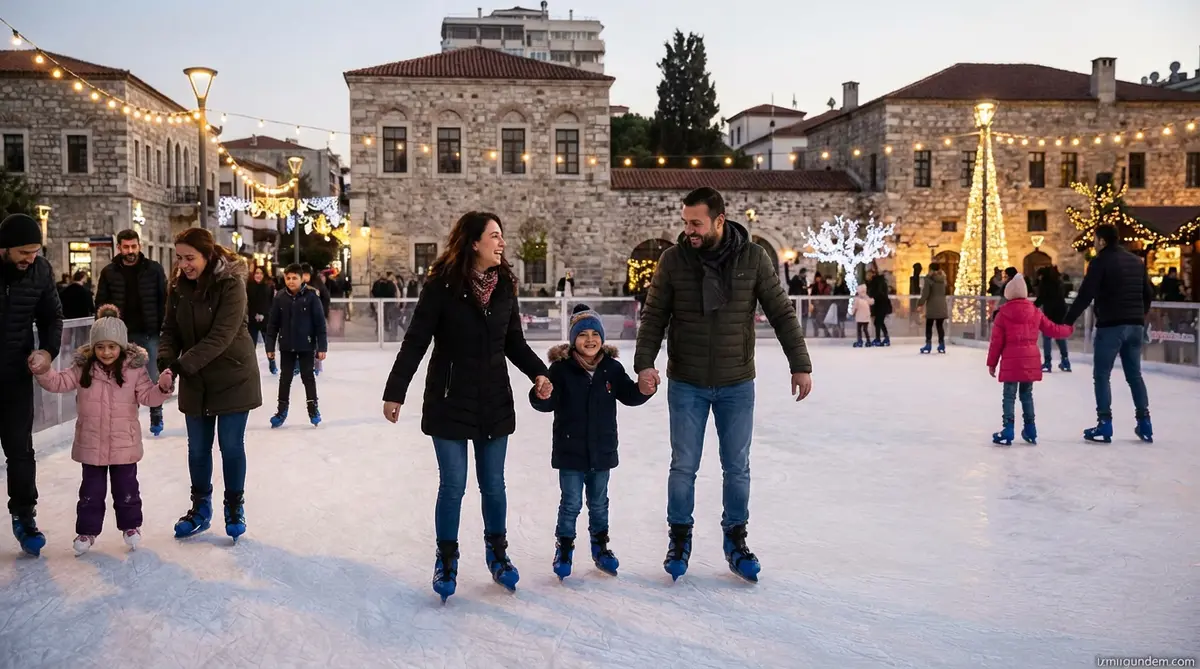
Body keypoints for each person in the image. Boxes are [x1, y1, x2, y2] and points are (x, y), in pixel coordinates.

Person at [634, 187, 813, 583]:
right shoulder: (673, 260)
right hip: (687, 383)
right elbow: (654, 317)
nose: (689, 230)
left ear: (719, 220)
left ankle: (736, 539)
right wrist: (644, 363)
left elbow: (781, 312)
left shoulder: (753, 258)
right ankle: (678, 539)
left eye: (696, 223)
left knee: (737, 468)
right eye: (685, 223)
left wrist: (799, 364)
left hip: (736, 382)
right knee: (683, 466)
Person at [381, 211, 552, 601]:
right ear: (474, 242)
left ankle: (498, 555)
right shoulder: (442, 285)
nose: (501, 242)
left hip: (493, 399)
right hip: (448, 400)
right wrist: (396, 391)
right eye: (494, 236)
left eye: (502, 236)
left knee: (494, 485)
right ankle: (446, 559)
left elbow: (514, 344)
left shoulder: (505, 284)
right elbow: (416, 341)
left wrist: (540, 374)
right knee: (453, 485)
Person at [32, 305, 174, 555]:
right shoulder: (83, 367)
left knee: (127, 489)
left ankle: (131, 527)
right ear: (93, 347)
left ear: (121, 345)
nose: (106, 352)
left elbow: (147, 396)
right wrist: (44, 371)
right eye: (100, 347)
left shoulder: (133, 369)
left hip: (123, 444)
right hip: (92, 442)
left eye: (111, 346)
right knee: (90, 492)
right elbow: (59, 382)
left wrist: (162, 388)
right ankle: (87, 531)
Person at [530, 304, 653, 580]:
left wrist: (644, 391)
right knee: (571, 502)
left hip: (602, 450)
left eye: (594, 334)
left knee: (599, 503)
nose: (589, 339)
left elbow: (630, 395)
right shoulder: (560, 370)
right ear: (573, 339)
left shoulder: (612, 368)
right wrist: (541, 394)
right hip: (570, 451)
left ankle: (601, 548)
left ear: (602, 338)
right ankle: (564, 549)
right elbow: (546, 402)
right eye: (582, 334)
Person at [159, 227, 262, 541]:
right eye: (179, 258)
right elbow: (169, 330)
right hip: (196, 379)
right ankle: (200, 509)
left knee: (230, 446)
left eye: (190, 257)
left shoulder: (231, 284)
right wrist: (165, 364)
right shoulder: (177, 286)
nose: (184, 264)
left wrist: (179, 366)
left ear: (207, 255)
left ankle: (234, 507)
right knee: (198, 450)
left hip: (233, 376)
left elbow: (221, 336)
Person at [0, 213, 63, 556]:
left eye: (35, 251)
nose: (30, 258)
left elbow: (52, 315)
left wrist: (48, 351)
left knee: (20, 451)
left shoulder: (40, 271)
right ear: (4, 249)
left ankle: (24, 516)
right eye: (24, 252)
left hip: (15, 376)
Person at [1060, 224, 1156, 443]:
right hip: (1135, 325)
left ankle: (1105, 423)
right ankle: (1145, 423)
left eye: (1095, 239)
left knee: (1102, 375)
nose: (1094, 243)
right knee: (1135, 375)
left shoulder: (1100, 262)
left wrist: (1067, 322)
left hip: (1111, 325)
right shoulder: (1135, 261)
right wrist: (1140, 315)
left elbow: (1085, 295)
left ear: (1102, 241)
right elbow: (1148, 292)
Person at [95, 229, 169, 436]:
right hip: (121, 336)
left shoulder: (153, 269)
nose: (130, 251)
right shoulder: (109, 272)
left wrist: (164, 326)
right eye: (126, 247)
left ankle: (156, 412)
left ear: (140, 246)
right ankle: (127, 417)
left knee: (153, 375)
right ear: (119, 248)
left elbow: (164, 299)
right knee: (123, 378)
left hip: (149, 331)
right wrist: (103, 329)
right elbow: (101, 302)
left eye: (133, 246)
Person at [986, 274, 1073, 445]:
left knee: (1009, 396)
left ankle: (1008, 429)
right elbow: (1051, 329)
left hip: (1011, 361)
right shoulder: (1035, 311)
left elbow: (996, 342)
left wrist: (992, 363)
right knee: (1027, 395)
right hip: (1029, 361)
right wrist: (1067, 330)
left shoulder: (1002, 314)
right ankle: (1030, 429)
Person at [265, 263, 328, 428]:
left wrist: (322, 347)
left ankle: (313, 409)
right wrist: (269, 347)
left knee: (308, 377)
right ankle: (281, 411)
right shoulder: (280, 297)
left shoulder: (311, 297)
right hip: (286, 345)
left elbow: (320, 324)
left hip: (306, 345)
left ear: (302, 279)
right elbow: (272, 325)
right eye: (288, 278)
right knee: (285, 379)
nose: (291, 281)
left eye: (294, 278)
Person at [1034, 266, 1071, 372]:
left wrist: (1032, 307)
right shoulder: (1058, 282)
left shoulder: (1045, 283)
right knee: (1060, 335)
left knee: (1047, 336)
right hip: (1061, 311)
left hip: (1050, 312)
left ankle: (1047, 362)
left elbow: (1042, 298)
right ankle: (1065, 360)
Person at [246, 265, 275, 369]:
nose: (258, 275)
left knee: (268, 343)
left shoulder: (269, 286)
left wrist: (264, 314)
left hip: (265, 319)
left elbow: (271, 303)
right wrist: (254, 314)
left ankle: (272, 362)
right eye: (256, 273)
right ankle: (250, 364)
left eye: (260, 273)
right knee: (251, 344)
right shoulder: (248, 286)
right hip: (252, 319)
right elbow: (248, 303)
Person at [917, 261, 949, 354]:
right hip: (942, 304)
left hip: (932, 305)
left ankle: (928, 344)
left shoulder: (929, 279)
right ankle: (942, 344)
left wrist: (920, 304)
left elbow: (925, 293)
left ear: (930, 269)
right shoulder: (943, 279)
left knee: (929, 325)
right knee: (940, 326)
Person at [866, 266, 892, 346]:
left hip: (881, 305)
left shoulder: (877, 282)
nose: (867, 277)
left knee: (878, 322)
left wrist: (872, 298)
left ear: (873, 274)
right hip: (879, 305)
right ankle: (885, 337)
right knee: (879, 322)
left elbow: (878, 294)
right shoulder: (875, 282)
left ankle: (878, 339)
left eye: (869, 275)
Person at [809, 272, 832, 337]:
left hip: (822, 305)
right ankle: (820, 332)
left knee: (820, 319)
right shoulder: (816, 285)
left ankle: (824, 332)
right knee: (816, 319)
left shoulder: (824, 286)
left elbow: (826, 294)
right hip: (818, 305)